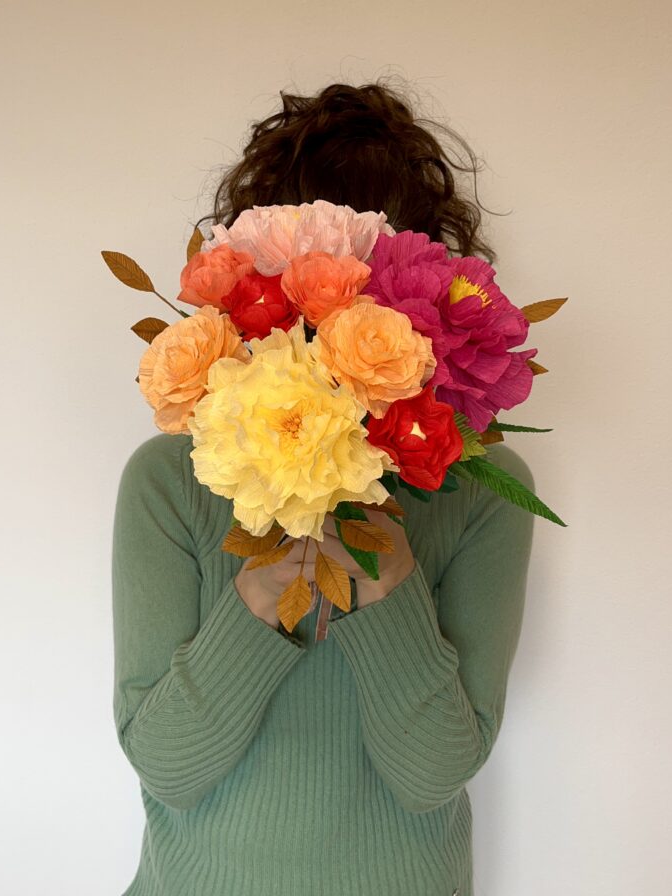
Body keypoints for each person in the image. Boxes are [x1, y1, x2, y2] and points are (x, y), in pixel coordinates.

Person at [110, 78, 536, 896]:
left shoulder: (482, 489)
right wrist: (255, 600)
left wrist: (388, 575)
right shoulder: (169, 479)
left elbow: (433, 775)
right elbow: (167, 766)